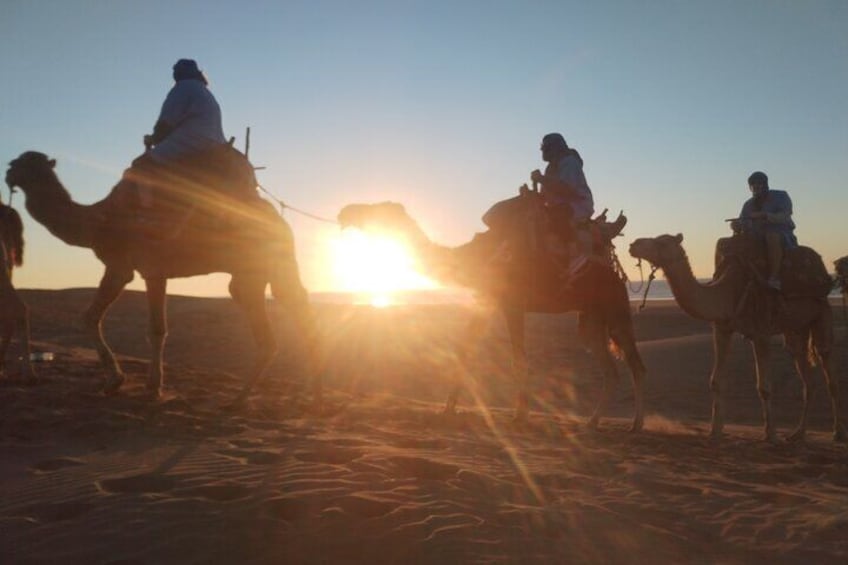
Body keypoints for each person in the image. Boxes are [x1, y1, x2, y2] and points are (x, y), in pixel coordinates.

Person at [133, 59, 228, 209]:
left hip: (192, 142)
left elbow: (166, 123)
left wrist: (152, 139)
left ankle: (146, 211)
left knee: (140, 166)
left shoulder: (183, 88)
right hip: (217, 143)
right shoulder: (205, 92)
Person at [529, 133, 595, 275]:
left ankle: (574, 257)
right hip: (556, 207)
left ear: (554, 148)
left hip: (576, 206)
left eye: (545, 148)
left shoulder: (569, 162)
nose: (542, 151)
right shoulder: (550, 168)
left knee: (559, 215)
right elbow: (545, 196)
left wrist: (541, 179)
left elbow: (567, 190)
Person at [733, 171, 797, 291]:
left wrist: (765, 215)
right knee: (725, 243)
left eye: (759, 184)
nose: (756, 188)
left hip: (781, 233)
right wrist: (737, 225)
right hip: (755, 236)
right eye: (753, 185)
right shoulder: (748, 204)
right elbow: (744, 221)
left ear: (765, 185)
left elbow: (785, 215)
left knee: (771, 236)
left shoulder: (781, 196)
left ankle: (774, 277)